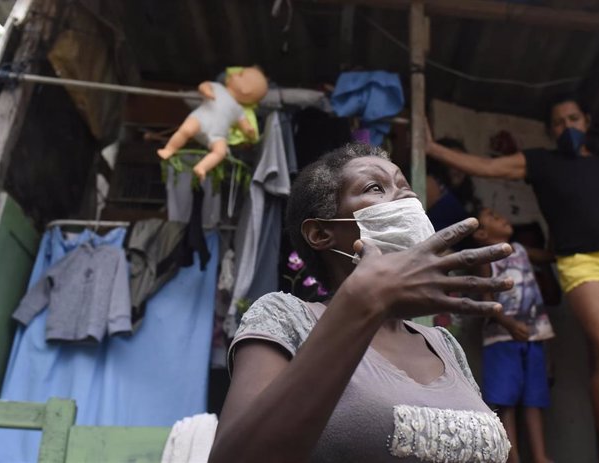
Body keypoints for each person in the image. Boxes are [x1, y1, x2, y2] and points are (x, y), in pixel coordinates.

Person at [209, 143, 514, 462]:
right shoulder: (286, 318)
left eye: (405, 187)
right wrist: (363, 300)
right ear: (320, 233)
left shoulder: (444, 344)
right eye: (375, 187)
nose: (405, 198)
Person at [426, 94, 599, 463]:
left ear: (587, 121)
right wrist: (433, 147)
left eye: (573, 119)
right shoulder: (541, 162)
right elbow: (486, 166)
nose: (568, 127)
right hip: (582, 261)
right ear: (551, 130)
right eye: (560, 123)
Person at [471, 207, 555, 463]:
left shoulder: (519, 249)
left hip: (532, 335)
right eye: (494, 218)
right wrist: (508, 324)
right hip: (502, 339)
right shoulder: (486, 258)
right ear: (483, 234)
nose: (503, 218)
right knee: (505, 401)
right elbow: (486, 299)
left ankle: (541, 457)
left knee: (534, 399)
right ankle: (511, 456)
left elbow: (550, 256)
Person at [157, 67, 268, 181]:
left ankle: (202, 167)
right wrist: (206, 91)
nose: (234, 74)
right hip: (200, 119)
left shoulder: (239, 109)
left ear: (246, 89)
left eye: (240, 75)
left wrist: (249, 131)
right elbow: (203, 85)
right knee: (185, 130)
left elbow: (245, 124)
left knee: (221, 152)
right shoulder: (218, 87)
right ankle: (170, 149)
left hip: (218, 135)